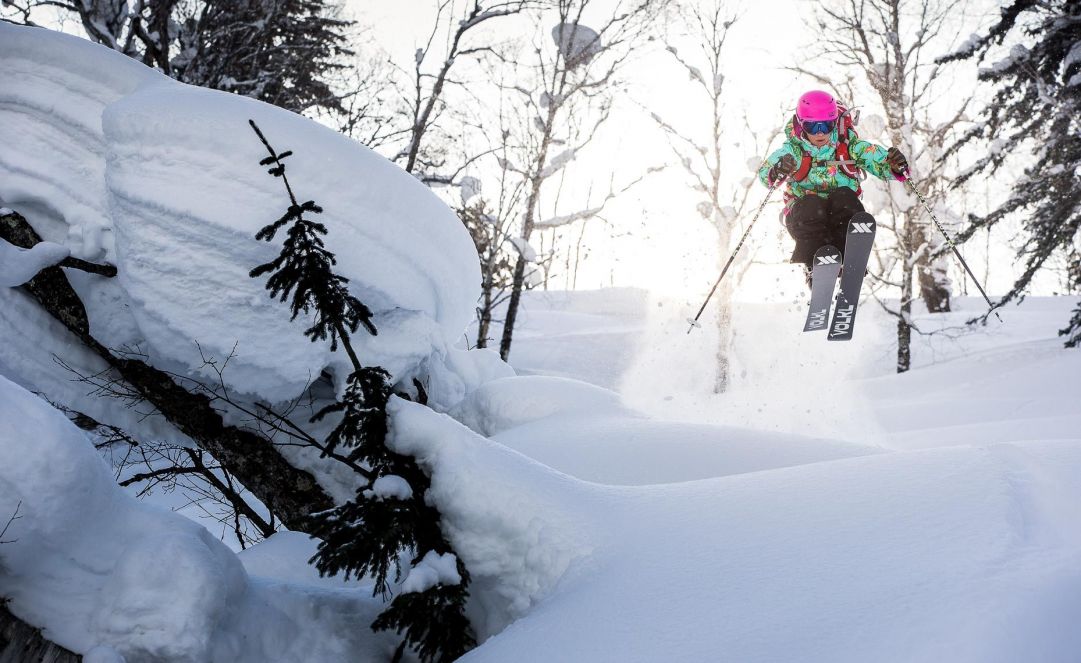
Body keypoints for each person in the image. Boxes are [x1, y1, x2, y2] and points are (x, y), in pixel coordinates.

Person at [757, 90, 909, 284]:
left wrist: (893, 165)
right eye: (812, 126)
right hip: (805, 217)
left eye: (826, 125)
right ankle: (816, 265)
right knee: (810, 204)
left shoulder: (849, 146)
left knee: (844, 197)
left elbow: (874, 158)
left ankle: (849, 258)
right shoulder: (793, 150)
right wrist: (777, 170)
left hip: (841, 217)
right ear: (801, 124)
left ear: (834, 122)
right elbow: (766, 174)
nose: (820, 132)